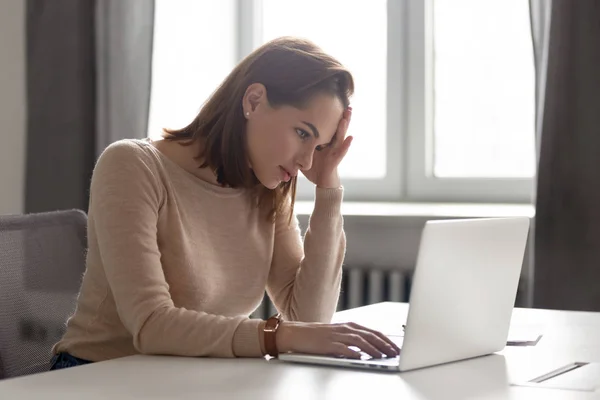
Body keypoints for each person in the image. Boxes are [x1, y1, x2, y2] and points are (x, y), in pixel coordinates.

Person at [50, 36, 400, 370]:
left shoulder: (267, 190)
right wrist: (279, 336)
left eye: (320, 146)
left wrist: (328, 188)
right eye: (303, 133)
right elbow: (151, 324)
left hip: (196, 378)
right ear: (253, 101)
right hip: (98, 374)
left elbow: (309, 320)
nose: (308, 161)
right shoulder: (132, 166)